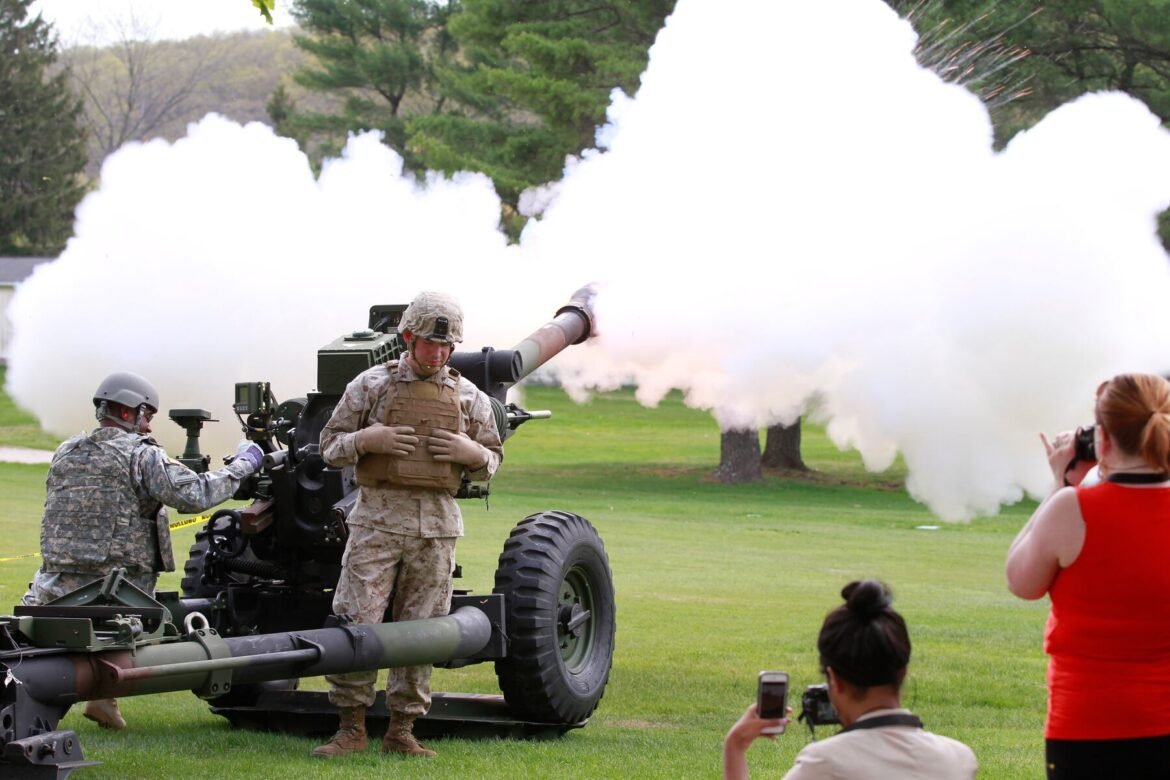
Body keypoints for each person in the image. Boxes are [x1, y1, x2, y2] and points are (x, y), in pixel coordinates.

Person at [313, 290, 503, 760]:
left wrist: (471, 454)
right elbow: (328, 446)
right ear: (408, 337)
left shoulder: (467, 397)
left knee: (421, 631)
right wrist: (366, 439)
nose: (437, 354)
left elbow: (492, 461)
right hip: (376, 523)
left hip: (436, 529)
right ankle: (351, 726)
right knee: (358, 624)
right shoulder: (371, 385)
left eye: (446, 347)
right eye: (428, 344)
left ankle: (402, 729)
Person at [22, 371, 263, 730]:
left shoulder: (66, 451)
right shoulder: (141, 455)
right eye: (147, 415)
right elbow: (194, 494)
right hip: (119, 591)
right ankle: (97, 696)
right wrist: (245, 463)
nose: (149, 426)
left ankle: (103, 702)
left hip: (54, 587)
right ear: (127, 412)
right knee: (128, 633)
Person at [1006, 372, 1170, 779]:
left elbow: (1020, 580)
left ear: (1104, 439)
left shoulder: (1071, 510)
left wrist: (1058, 485)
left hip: (1085, 723)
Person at [723, 580, 978, 779]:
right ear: (902, 672)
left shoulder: (825, 763)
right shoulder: (959, 759)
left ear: (834, 679)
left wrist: (734, 746)